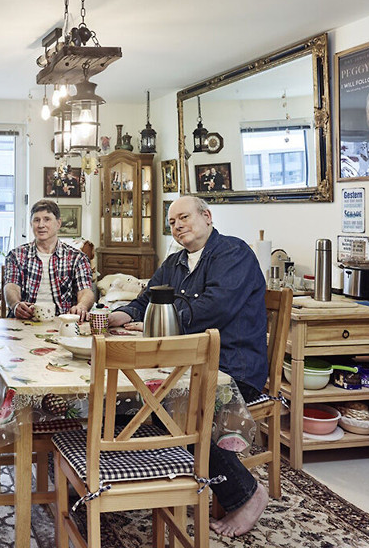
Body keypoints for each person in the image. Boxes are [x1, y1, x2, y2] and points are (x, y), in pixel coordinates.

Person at [107, 195, 269, 537]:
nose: (177, 226)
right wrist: (120, 315)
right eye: (172, 222)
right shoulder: (175, 262)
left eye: (184, 217)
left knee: (175, 408)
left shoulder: (234, 253)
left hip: (233, 368)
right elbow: (146, 299)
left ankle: (247, 494)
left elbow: (215, 308)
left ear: (207, 216)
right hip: (183, 367)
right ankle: (130, 479)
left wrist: (152, 324)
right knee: (122, 399)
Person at [3, 199, 94, 321]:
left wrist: (82, 306)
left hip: (62, 323)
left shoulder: (77, 258)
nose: (41, 225)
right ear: (31, 224)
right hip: (24, 321)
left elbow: (85, 291)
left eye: (47, 219)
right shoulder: (16, 255)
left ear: (58, 223)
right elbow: (11, 286)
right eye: (36, 220)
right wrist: (15, 304)